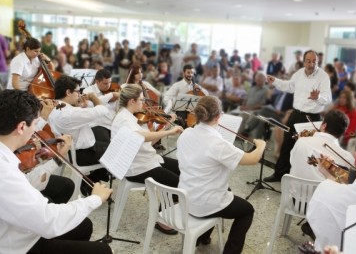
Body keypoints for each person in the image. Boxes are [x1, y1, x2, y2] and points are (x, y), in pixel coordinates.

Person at [0, 89, 112, 254]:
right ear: (22, 126)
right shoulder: (5, 173)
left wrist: (57, 158)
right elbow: (48, 222)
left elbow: (26, 184)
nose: (36, 135)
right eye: (35, 124)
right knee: (104, 251)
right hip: (16, 245)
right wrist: (95, 199)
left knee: (84, 226)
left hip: (20, 225)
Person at [176, 96, 266, 253]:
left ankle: (202, 237)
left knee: (226, 190)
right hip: (203, 204)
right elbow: (252, 159)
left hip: (185, 196)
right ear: (218, 117)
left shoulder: (186, 133)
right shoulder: (217, 143)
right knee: (247, 211)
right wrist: (261, 145)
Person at [111, 84, 183, 234]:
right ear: (132, 101)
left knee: (182, 168)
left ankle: (166, 211)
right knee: (177, 182)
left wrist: (164, 128)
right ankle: (162, 219)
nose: (143, 104)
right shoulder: (124, 119)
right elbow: (141, 137)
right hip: (136, 167)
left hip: (146, 159)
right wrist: (168, 133)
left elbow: (148, 142)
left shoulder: (131, 117)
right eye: (141, 100)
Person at [264, 50, 332, 182]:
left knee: (306, 149)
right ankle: (279, 174)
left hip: (311, 118)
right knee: (287, 145)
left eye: (314, 61)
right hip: (296, 114)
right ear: (304, 61)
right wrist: (275, 81)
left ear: (317, 62)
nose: (311, 64)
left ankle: (301, 178)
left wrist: (318, 97)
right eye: (308, 61)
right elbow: (289, 86)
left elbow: (328, 98)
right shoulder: (299, 73)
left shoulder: (323, 76)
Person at [48, 75, 112, 195]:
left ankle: (93, 180)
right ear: (68, 92)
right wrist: (93, 97)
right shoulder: (71, 113)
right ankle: (90, 180)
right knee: (117, 150)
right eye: (78, 91)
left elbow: (75, 116)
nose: (79, 94)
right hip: (82, 155)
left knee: (102, 134)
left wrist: (79, 106)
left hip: (70, 151)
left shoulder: (54, 107)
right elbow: (103, 111)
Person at [290, 110, 354, 182]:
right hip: (320, 192)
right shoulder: (347, 157)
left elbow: (292, 161)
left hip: (293, 190)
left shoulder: (301, 141)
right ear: (342, 133)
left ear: (324, 126)